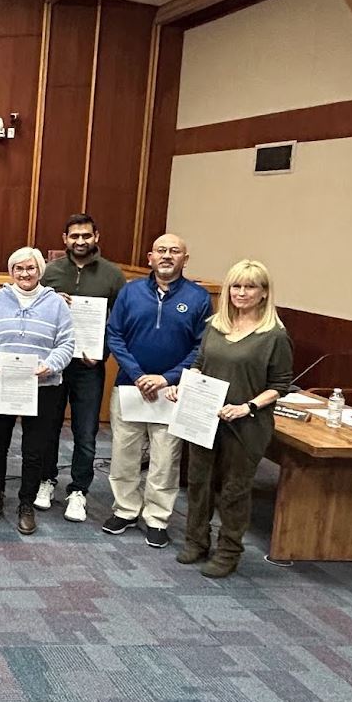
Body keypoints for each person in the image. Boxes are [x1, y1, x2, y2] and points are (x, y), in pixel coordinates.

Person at [167, 259, 292, 578]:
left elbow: (280, 386)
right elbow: (200, 363)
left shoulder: (273, 336)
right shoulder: (216, 325)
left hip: (246, 425)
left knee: (234, 490)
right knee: (199, 482)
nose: (241, 292)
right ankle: (196, 541)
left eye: (249, 286)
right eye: (236, 285)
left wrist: (247, 407)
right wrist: (185, 385)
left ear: (264, 293)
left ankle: (229, 550)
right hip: (204, 418)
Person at [103, 233, 211, 548]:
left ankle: (157, 518)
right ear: (150, 257)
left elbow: (200, 347)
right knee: (124, 454)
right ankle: (125, 510)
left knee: (165, 459)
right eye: (161, 250)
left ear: (185, 259)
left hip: (172, 392)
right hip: (129, 387)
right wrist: (138, 375)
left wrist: (166, 378)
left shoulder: (198, 298)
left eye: (174, 251)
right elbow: (115, 334)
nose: (167, 256)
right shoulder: (130, 291)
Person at [0, 247, 75, 536]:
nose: (24, 273)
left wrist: (50, 365)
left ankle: (26, 504)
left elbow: (67, 344)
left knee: (34, 449)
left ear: (39, 270)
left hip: (42, 385)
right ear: (11, 271)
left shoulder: (56, 303)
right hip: (2, 381)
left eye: (30, 268)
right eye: (18, 268)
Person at [39, 213, 126, 522]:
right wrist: (50, 298)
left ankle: (78, 490)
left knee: (85, 431)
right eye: (74, 236)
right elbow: (35, 313)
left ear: (96, 237)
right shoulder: (50, 272)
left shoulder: (113, 276)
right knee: (47, 425)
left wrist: (102, 353)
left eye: (85, 235)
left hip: (88, 366)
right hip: (53, 365)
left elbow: (120, 322)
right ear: (65, 239)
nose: (80, 241)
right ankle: (46, 479)